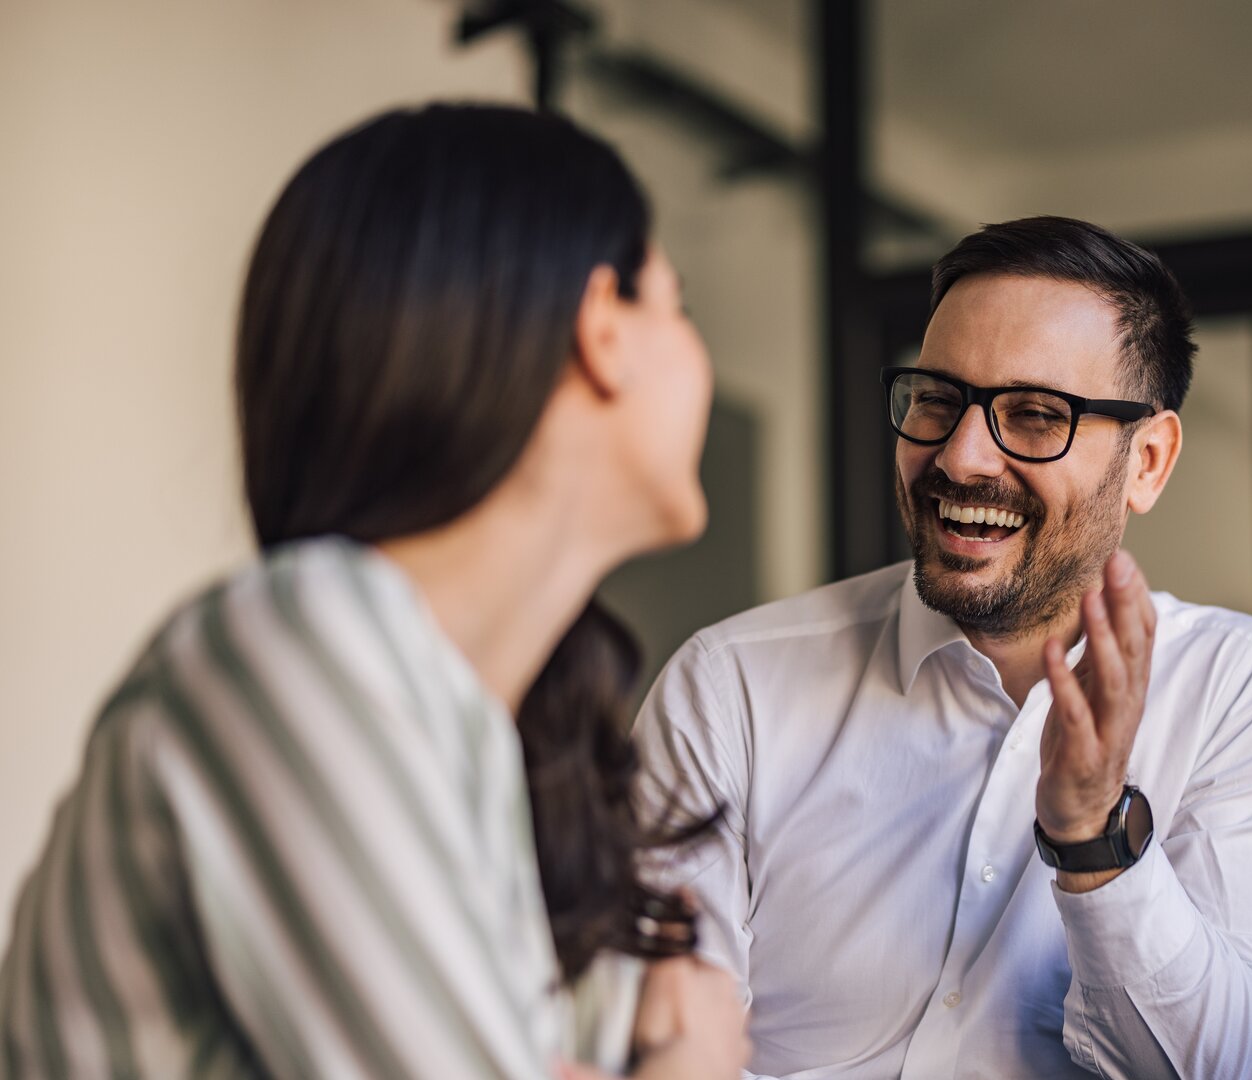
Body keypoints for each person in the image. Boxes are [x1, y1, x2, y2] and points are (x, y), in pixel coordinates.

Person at [0, 104, 750, 1079]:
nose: (699, 356)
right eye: (677, 304)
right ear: (601, 329)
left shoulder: (494, 744)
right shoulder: (297, 646)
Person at [638, 216, 1252, 1079]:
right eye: (936, 398)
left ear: (1148, 461)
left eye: (1035, 415)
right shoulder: (730, 687)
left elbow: (1245, 1069)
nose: (961, 457)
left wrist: (1094, 841)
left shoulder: (1235, 686)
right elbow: (654, 1048)